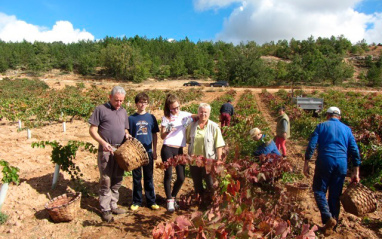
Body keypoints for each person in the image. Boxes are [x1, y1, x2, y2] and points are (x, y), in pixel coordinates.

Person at [303, 106, 361, 236]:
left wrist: (307, 161)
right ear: (339, 117)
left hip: (325, 161)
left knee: (319, 190)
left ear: (328, 116)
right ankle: (332, 225)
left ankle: (328, 217)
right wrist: (356, 171)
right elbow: (354, 150)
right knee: (335, 195)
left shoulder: (321, 126)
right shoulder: (347, 129)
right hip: (341, 164)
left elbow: (312, 145)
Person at [89, 86, 131, 222]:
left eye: (121, 101)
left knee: (118, 179)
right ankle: (105, 209)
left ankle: (113, 205)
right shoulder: (100, 110)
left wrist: (127, 135)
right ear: (110, 97)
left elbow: (125, 129)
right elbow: (92, 130)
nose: (119, 103)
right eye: (116, 100)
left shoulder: (123, 111)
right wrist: (103, 143)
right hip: (106, 150)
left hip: (120, 150)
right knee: (106, 179)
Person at [160, 94, 196, 212]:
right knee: (169, 175)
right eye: (173, 108)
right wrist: (168, 130)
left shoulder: (184, 115)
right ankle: (169, 200)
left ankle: (173, 196)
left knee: (181, 177)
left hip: (179, 150)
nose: (176, 110)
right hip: (167, 148)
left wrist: (197, 118)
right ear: (169, 108)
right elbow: (162, 136)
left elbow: (196, 116)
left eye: (177, 107)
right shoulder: (166, 117)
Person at [186, 103, 225, 203]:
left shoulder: (214, 127)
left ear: (209, 113)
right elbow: (188, 140)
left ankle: (213, 203)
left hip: (209, 161)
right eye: (201, 112)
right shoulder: (192, 126)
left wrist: (219, 159)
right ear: (198, 112)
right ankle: (201, 202)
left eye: (205, 112)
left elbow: (219, 144)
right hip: (194, 161)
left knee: (211, 183)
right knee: (197, 183)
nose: (203, 114)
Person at [128, 92, 160, 211]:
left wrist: (155, 150)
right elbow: (128, 134)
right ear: (136, 103)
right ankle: (137, 201)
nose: (143, 104)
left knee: (149, 177)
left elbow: (154, 134)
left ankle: (151, 201)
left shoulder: (151, 117)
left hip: (148, 152)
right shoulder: (131, 118)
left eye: (145, 102)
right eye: (141, 102)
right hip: (135, 153)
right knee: (136, 178)